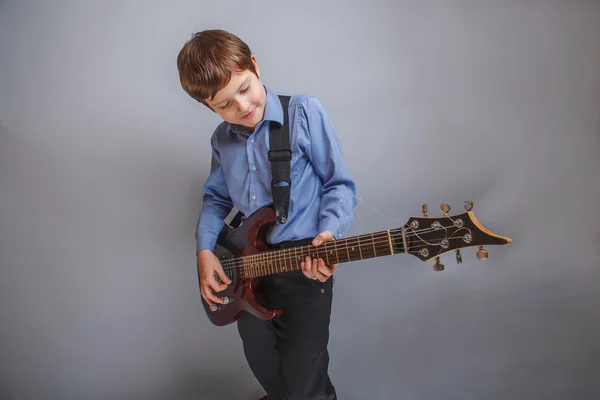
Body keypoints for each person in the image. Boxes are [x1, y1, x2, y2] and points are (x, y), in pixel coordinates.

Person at [177, 29, 356, 400]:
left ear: (254, 66)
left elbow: (338, 184)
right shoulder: (221, 140)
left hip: (304, 262)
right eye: (224, 104)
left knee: (305, 376)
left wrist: (328, 234)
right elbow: (214, 199)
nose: (241, 106)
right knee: (266, 368)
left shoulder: (304, 112)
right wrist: (205, 250)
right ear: (209, 107)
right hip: (248, 268)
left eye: (244, 88)